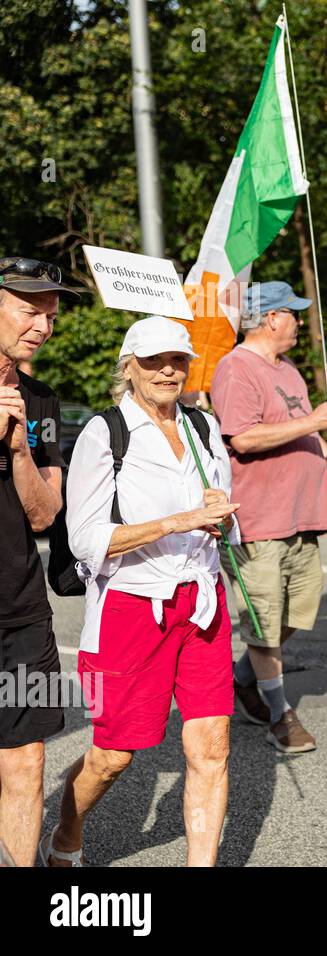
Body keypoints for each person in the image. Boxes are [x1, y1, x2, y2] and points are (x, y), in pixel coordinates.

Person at [48, 316, 240, 867]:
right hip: (131, 606)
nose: (167, 370)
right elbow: (86, 541)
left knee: (211, 747)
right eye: (153, 360)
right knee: (113, 756)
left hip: (202, 601)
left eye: (177, 359)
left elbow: (221, 515)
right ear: (128, 366)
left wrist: (219, 520)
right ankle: (66, 831)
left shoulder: (204, 427)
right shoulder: (104, 432)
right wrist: (175, 521)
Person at [210, 281, 327, 753]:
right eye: (295, 314)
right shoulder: (235, 369)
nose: (301, 323)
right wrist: (316, 421)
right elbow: (242, 438)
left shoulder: (291, 371)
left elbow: (306, 434)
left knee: (298, 613)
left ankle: (243, 679)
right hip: (258, 520)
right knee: (264, 620)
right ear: (271, 318)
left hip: (302, 517)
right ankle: (280, 715)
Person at [0, 257, 74, 866]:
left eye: (49, 315)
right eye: (29, 311)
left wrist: (19, 449)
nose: (43, 326)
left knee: (26, 757)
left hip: (22, 609)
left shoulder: (42, 401)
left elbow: (46, 515)